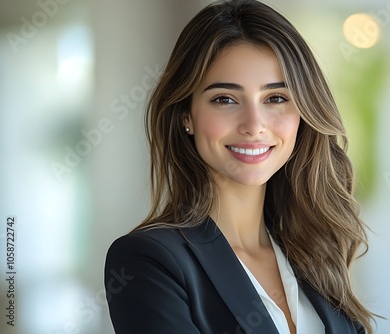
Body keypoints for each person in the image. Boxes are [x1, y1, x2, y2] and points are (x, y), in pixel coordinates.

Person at [104, 0, 375, 333]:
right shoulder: (147, 261)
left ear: (303, 113)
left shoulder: (317, 253)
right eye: (225, 99)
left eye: (276, 98)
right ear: (186, 115)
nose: (254, 125)